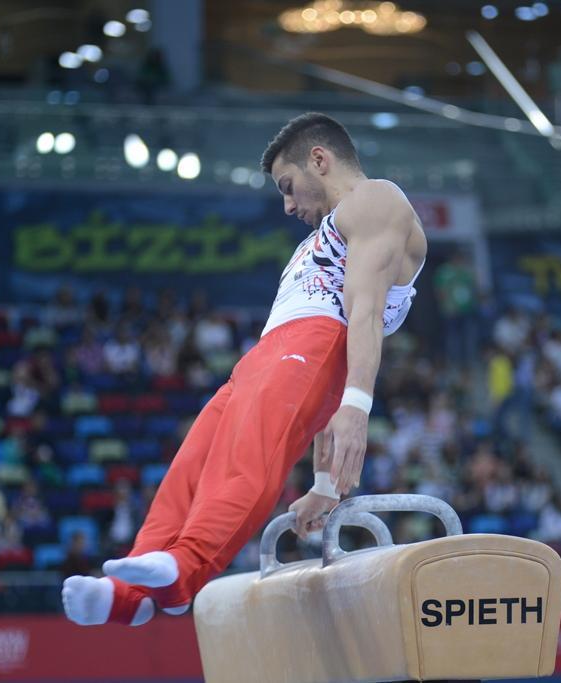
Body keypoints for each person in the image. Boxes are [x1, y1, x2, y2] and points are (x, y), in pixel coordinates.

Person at [61, 112, 428, 627]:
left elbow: (361, 314)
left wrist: (358, 406)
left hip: (314, 343)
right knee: (191, 468)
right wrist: (325, 481)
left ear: (319, 160)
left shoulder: (378, 201)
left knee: (247, 463)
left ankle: (186, 567)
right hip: (268, 356)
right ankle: (134, 593)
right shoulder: (323, 234)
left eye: (288, 186)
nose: (288, 204)